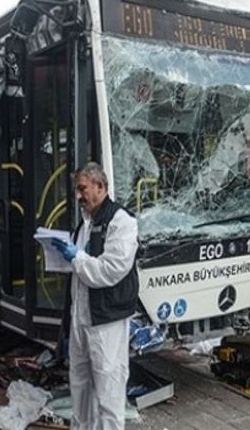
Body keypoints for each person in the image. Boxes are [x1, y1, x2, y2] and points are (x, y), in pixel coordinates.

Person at [51, 162, 139, 430]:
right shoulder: (85, 224)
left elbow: (110, 271)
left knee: (108, 388)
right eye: (77, 189)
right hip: (82, 319)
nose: (78, 196)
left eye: (83, 189)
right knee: (80, 386)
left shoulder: (121, 222)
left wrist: (75, 257)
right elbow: (80, 272)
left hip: (106, 322)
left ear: (101, 187)